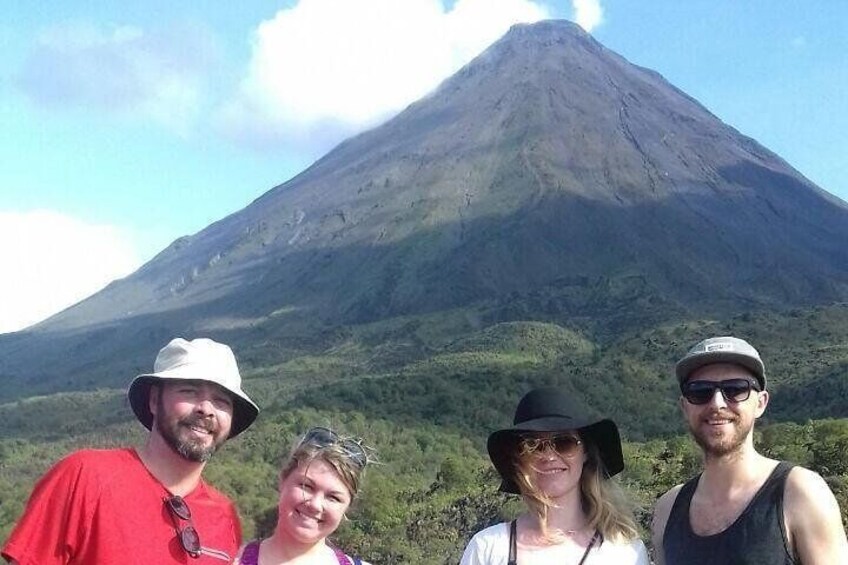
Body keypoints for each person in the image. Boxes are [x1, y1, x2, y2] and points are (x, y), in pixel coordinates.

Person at [2, 337, 259, 564]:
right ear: (154, 400)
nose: (206, 408)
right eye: (189, 391)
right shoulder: (84, 477)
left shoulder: (225, 517)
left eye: (221, 400)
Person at [651, 336, 848, 565]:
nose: (717, 403)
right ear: (685, 407)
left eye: (735, 389)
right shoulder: (668, 509)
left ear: (761, 403)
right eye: (700, 391)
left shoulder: (799, 493)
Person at [461, 386, 649, 564]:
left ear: (586, 453)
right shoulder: (487, 548)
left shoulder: (624, 552)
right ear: (519, 458)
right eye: (532, 446)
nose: (549, 456)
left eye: (564, 443)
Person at [235, 426, 371, 565]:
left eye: (333, 498)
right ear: (282, 480)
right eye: (306, 486)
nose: (315, 505)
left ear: (347, 507)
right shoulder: (228, 560)